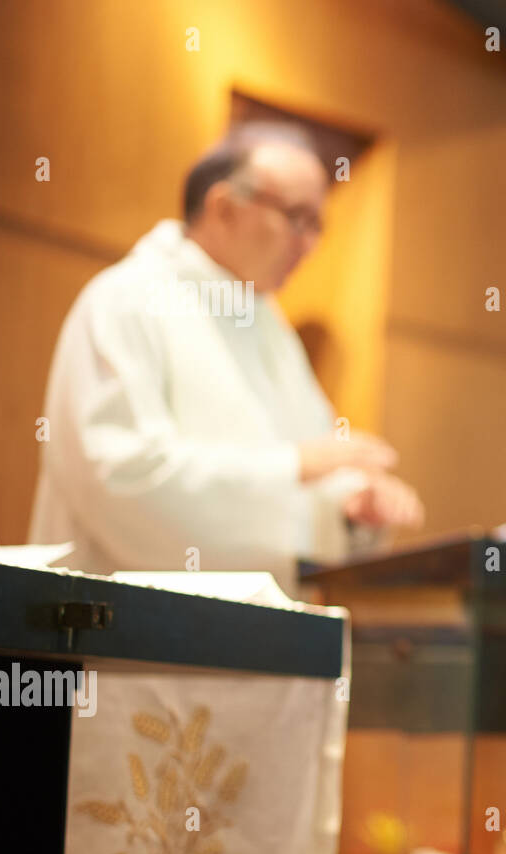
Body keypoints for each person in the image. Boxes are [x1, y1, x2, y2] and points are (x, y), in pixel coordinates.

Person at [29, 122, 423, 595]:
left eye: (319, 224)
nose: (309, 244)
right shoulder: (126, 301)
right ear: (223, 208)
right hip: (133, 651)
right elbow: (122, 480)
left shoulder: (271, 330)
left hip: (260, 643)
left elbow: (312, 479)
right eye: (297, 218)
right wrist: (294, 467)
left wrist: (353, 507)